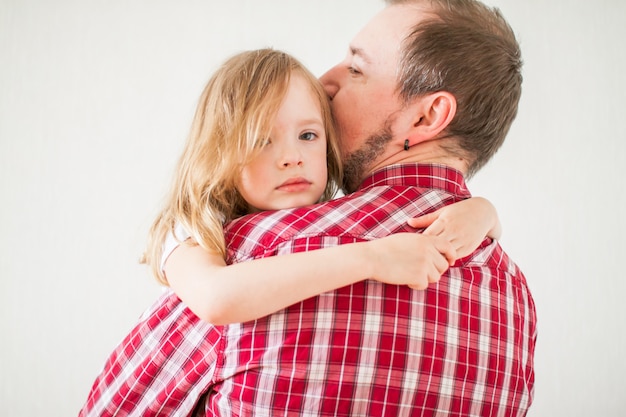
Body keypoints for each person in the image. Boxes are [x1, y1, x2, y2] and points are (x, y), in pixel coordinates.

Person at [80, 0, 537, 416]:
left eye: (357, 69)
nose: (325, 81)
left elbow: (116, 407)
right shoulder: (517, 303)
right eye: (261, 138)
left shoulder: (252, 249)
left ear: (426, 117)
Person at [142, 49, 498, 325]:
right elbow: (217, 299)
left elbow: (492, 227)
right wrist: (373, 258)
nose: (292, 157)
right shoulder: (192, 226)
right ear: (219, 151)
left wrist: (481, 212)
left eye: (308, 135)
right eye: (261, 140)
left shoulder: (328, 215)